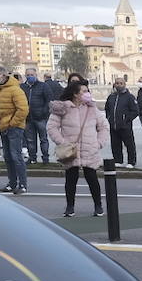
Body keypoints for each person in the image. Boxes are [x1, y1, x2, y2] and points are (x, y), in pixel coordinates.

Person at [49, 80, 109, 217]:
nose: (87, 93)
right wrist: (62, 142)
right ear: (75, 94)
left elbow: (104, 127)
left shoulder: (92, 108)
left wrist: (98, 143)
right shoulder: (63, 108)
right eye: (84, 91)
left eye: (88, 91)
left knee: (92, 177)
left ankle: (98, 206)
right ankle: (70, 207)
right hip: (71, 150)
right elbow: (51, 127)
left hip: (89, 149)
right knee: (71, 178)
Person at [0, 67, 29, 195]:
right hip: (2, 126)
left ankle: (22, 184)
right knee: (7, 156)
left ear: (3, 75)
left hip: (14, 127)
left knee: (16, 156)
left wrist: (12, 123)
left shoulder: (15, 90)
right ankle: (12, 183)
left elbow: (23, 109)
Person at [21, 67, 58, 164]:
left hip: (41, 118)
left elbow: (49, 100)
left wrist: (44, 112)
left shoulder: (43, 86)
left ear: (36, 75)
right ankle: (32, 158)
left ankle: (45, 158)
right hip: (28, 118)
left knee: (43, 139)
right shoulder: (22, 87)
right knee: (30, 140)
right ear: (25, 76)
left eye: (31, 75)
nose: (30, 77)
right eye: (28, 75)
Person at [104, 77, 139, 167]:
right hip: (113, 125)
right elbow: (107, 109)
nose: (119, 85)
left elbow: (135, 111)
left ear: (124, 84)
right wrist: (108, 118)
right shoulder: (111, 97)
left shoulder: (129, 97)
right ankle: (118, 160)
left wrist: (126, 119)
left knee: (129, 144)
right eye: (117, 83)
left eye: (121, 83)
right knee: (115, 144)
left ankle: (131, 162)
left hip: (125, 126)